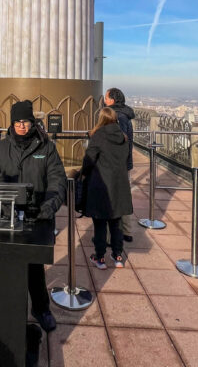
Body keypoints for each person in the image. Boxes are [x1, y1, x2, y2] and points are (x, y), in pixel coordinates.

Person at [0, 100, 67, 333]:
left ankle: (41, 309)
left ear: (32, 122)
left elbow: (57, 180)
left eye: (26, 121)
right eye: (17, 121)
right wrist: (4, 191)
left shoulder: (45, 148)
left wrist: (48, 207)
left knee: (34, 266)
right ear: (12, 123)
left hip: (36, 216)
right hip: (6, 214)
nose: (22, 126)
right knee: (2, 265)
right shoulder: (0, 149)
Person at [81, 108, 133, 270]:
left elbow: (89, 159)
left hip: (101, 184)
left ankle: (100, 257)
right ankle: (118, 256)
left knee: (100, 223)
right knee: (116, 222)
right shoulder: (123, 137)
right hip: (119, 184)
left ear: (101, 119)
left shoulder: (99, 135)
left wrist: (84, 174)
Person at [103, 87, 135, 242]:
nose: (104, 100)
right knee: (124, 196)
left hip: (116, 165)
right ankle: (127, 231)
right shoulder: (125, 114)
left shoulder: (117, 116)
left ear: (112, 100)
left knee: (113, 198)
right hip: (124, 163)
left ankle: (114, 236)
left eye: (106, 97)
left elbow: (118, 141)